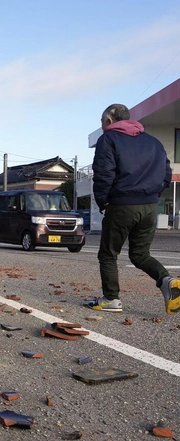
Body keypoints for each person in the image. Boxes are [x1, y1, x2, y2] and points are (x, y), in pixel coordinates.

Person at [88, 103, 180, 314]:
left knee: (109, 254)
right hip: (149, 207)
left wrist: (104, 201)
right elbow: (167, 172)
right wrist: (153, 194)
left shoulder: (108, 139)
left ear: (109, 121)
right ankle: (167, 281)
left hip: (122, 204)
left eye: (102, 123)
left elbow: (103, 174)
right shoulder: (153, 142)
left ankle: (111, 299)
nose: (102, 127)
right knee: (140, 254)